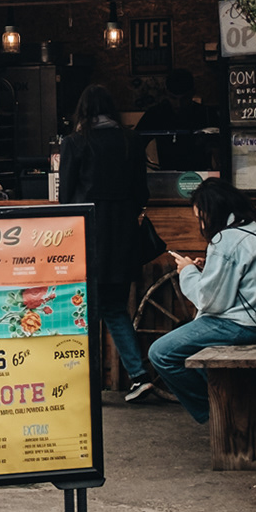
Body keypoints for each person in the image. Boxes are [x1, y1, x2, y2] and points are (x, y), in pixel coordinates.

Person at [57, 84, 159, 402]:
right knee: (114, 308)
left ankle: (83, 382)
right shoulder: (131, 140)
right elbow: (142, 192)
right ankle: (139, 376)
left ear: (82, 110)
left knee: (84, 311)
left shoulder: (75, 143)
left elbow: (65, 199)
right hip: (123, 238)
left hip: (87, 238)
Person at [148, 179, 256, 423]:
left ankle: (215, 414)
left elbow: (210, 301)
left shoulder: (226, 239)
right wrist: (205, 270)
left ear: (212, 212)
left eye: (200, 217)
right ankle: (224, 409)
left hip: (239, 326)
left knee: (161, 353)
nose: (201, 224)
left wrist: (187, 271)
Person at [136, 69, 215, 172]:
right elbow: (135, 144)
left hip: (201, 175)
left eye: (184, 99)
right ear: (166, 93)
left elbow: (221, 150)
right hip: (167, 174)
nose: (179, 104)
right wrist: (149, 166)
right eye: (173, 98)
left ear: (192, 93)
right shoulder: (156, 114)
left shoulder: (207, 114)